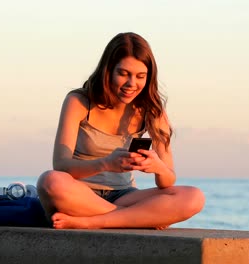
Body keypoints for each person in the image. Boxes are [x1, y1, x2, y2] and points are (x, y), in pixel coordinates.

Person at [37, 32, 205, 229]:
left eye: (140, 76)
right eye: (123, 74)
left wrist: (157, 166)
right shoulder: (79, 102)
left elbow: (167, 180)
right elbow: (61, 165)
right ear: (108, 71)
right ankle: (135, 219)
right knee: (50, 181)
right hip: (80, 194)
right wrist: (105, 163)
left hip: (125, 196)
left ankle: (91, 222)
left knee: (194, 197)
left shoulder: (152, 110)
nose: (131, 84)